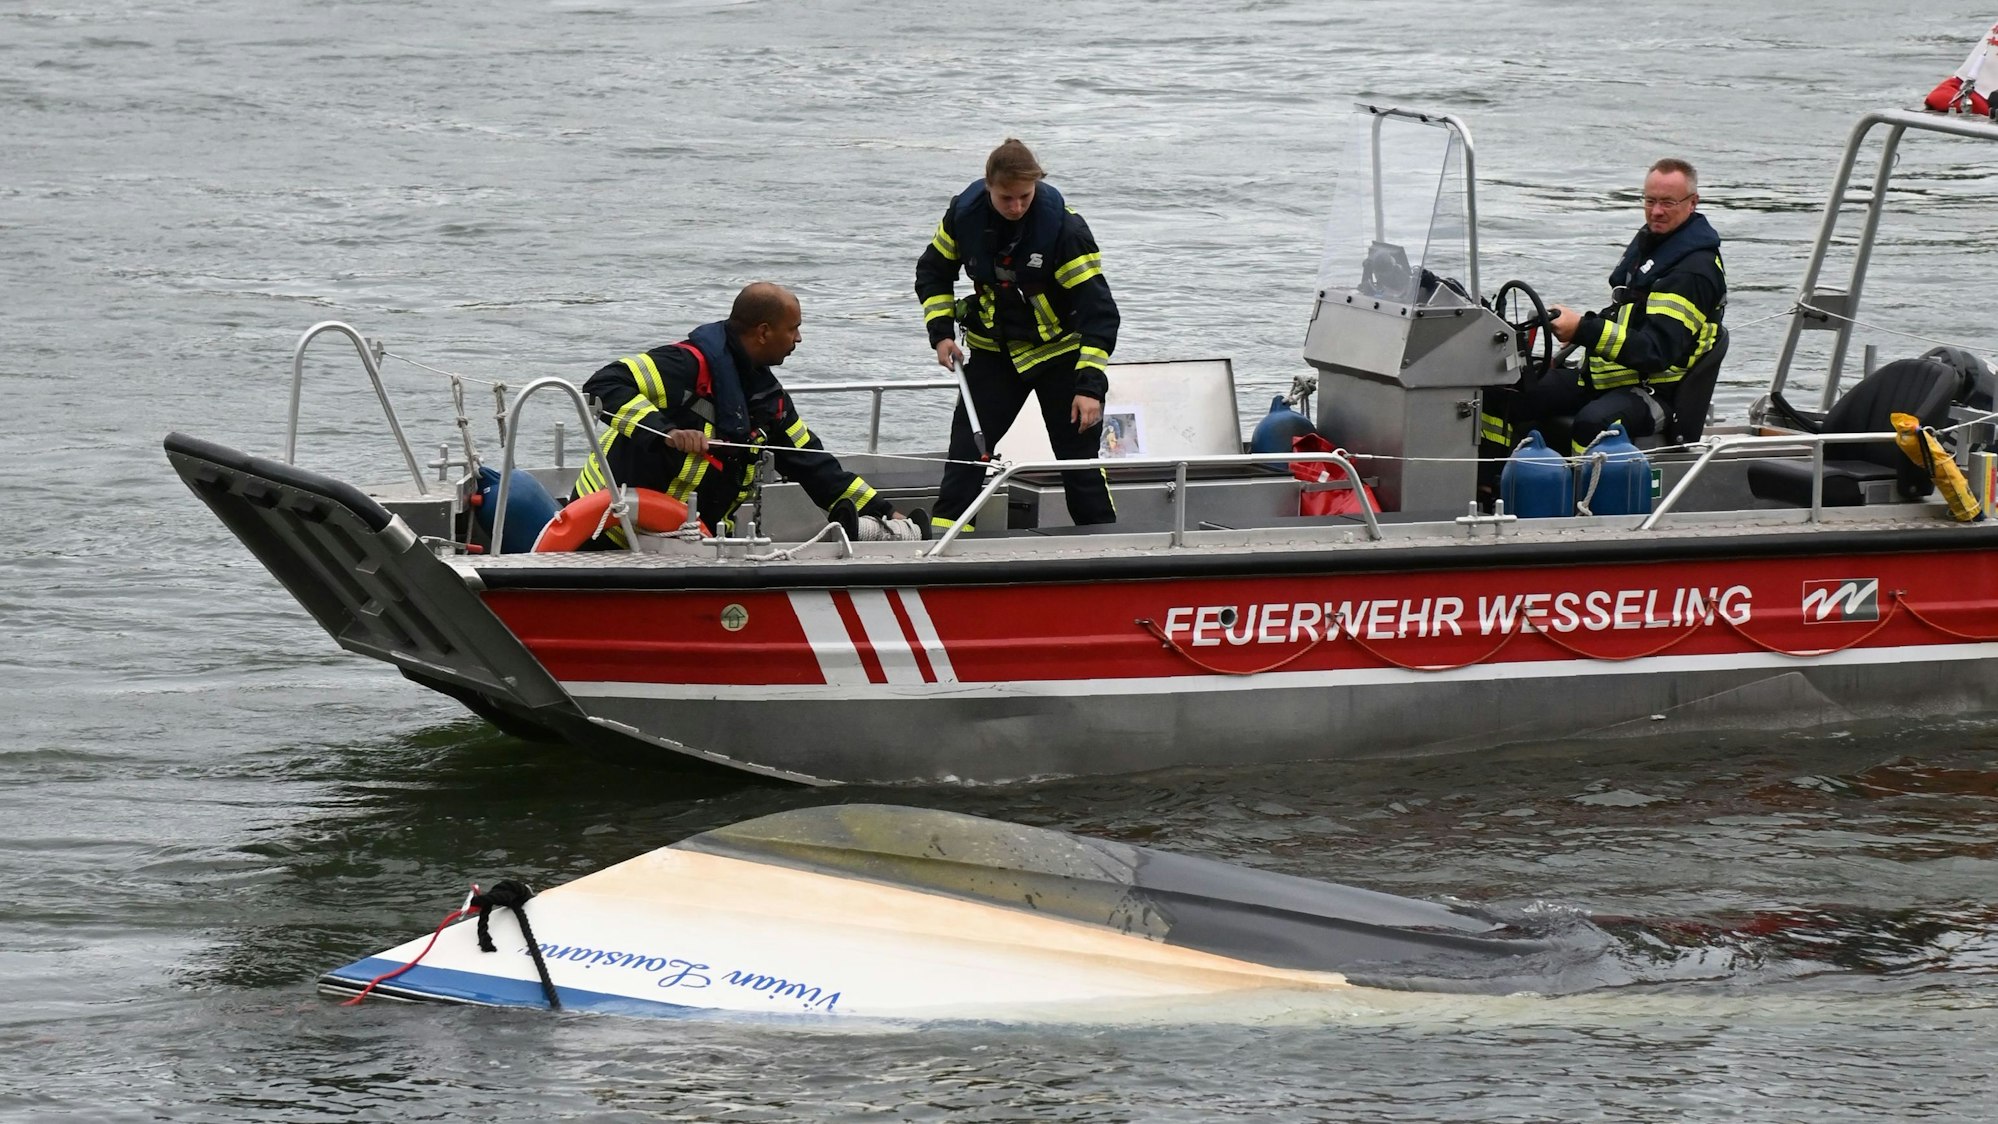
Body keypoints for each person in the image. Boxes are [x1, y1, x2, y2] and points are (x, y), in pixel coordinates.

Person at [571, 282, 916, 545]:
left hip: (682, 543)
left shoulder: (768, 401)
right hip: (603, 526)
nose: (799, 338)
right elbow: (605, 383)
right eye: (793, 328)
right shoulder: (683, 366)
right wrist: (666, 432)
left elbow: (816, 467)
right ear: (764, 332)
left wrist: (883, 512)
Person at [915, 138, 1120, 533]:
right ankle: (944, 544)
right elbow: (933, 272)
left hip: (1060, 356)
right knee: (966, 455)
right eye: (1006, 198)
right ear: (988, 185)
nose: (1016, 207)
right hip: (995, 355)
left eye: (1025, 197)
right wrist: (940, 334)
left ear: (1037, 186)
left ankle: (1102, 542)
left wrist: (1090, 388)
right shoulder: (964, 216)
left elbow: (1100, 314)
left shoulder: (1066, 232)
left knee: (1077, 462)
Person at [1518, 158, 1727, 455]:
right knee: (1516, 391)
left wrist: (1582, 329)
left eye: (1668, 202)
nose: (1656, 211)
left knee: (1594, 422)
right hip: (1604, 378)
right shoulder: (1657, 244)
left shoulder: (1692, 273)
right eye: (1650, 200)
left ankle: (1579, 497)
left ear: (1693, 203)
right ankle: (1494, 483)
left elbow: (1655, 352)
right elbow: (1627, 313)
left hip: (1656, 393)